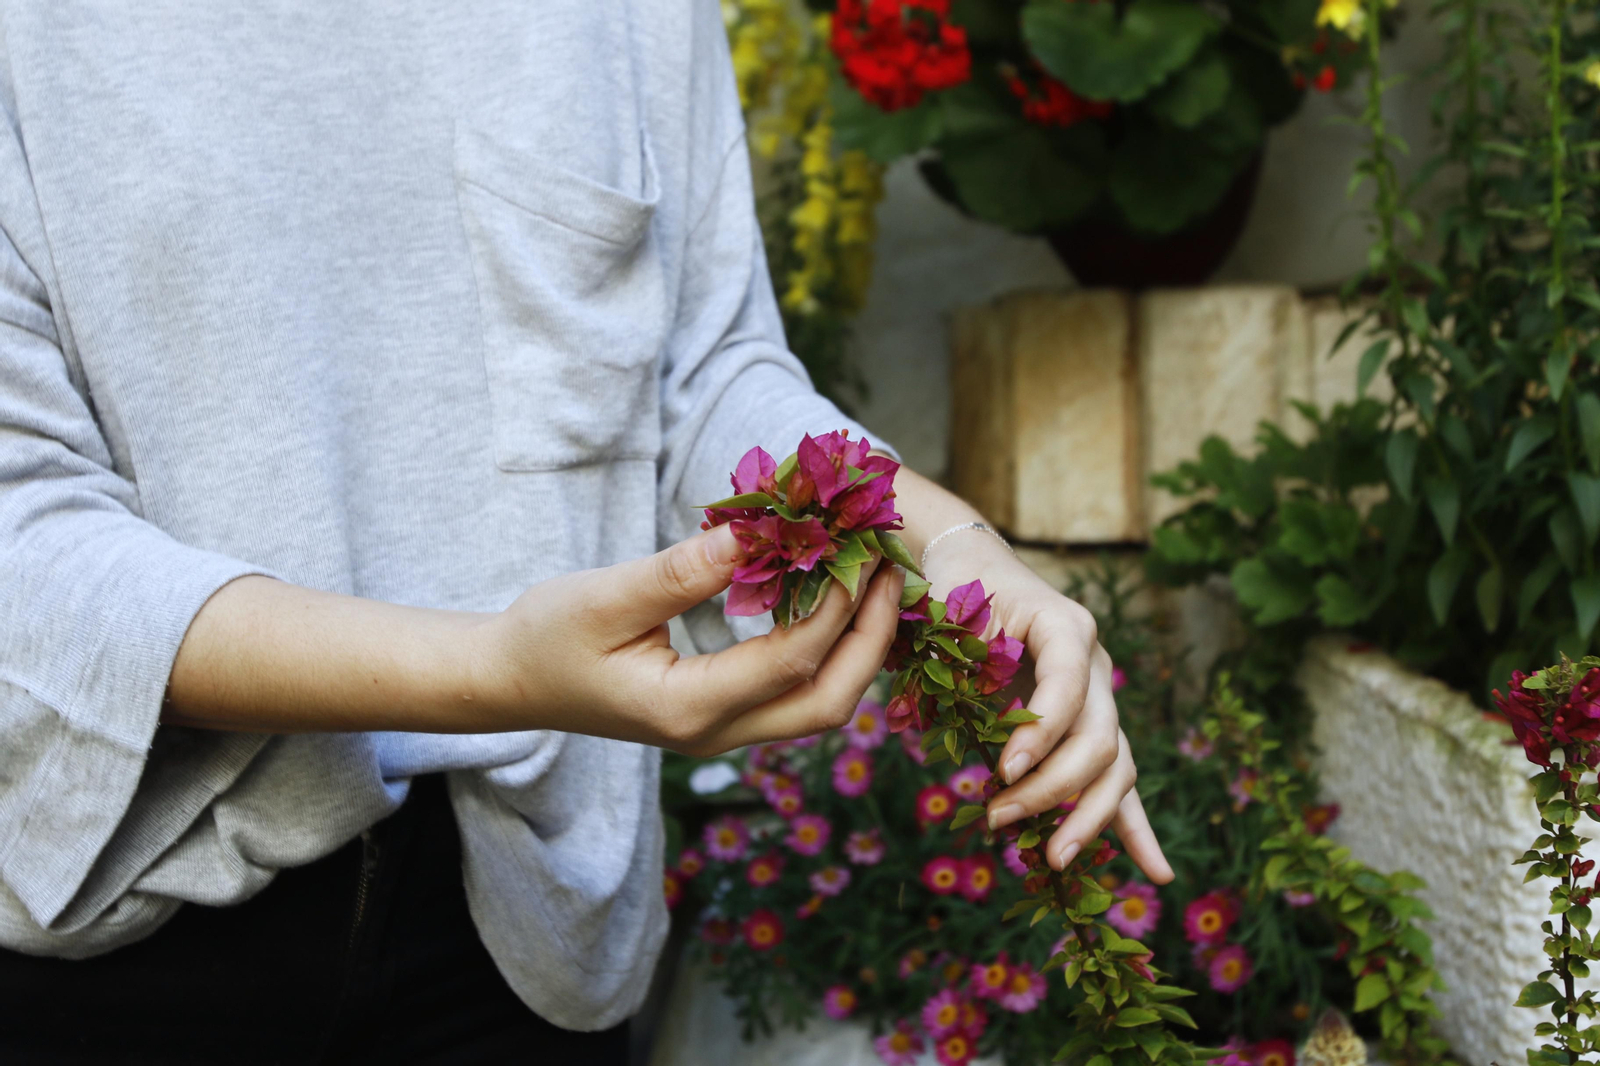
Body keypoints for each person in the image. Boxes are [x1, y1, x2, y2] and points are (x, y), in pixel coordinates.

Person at [0, 2, 1171, 1062]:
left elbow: (697, 375)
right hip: (125, 943)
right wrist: (498, 671)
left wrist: (950, 543)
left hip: (527, 927)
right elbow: (23, 533)